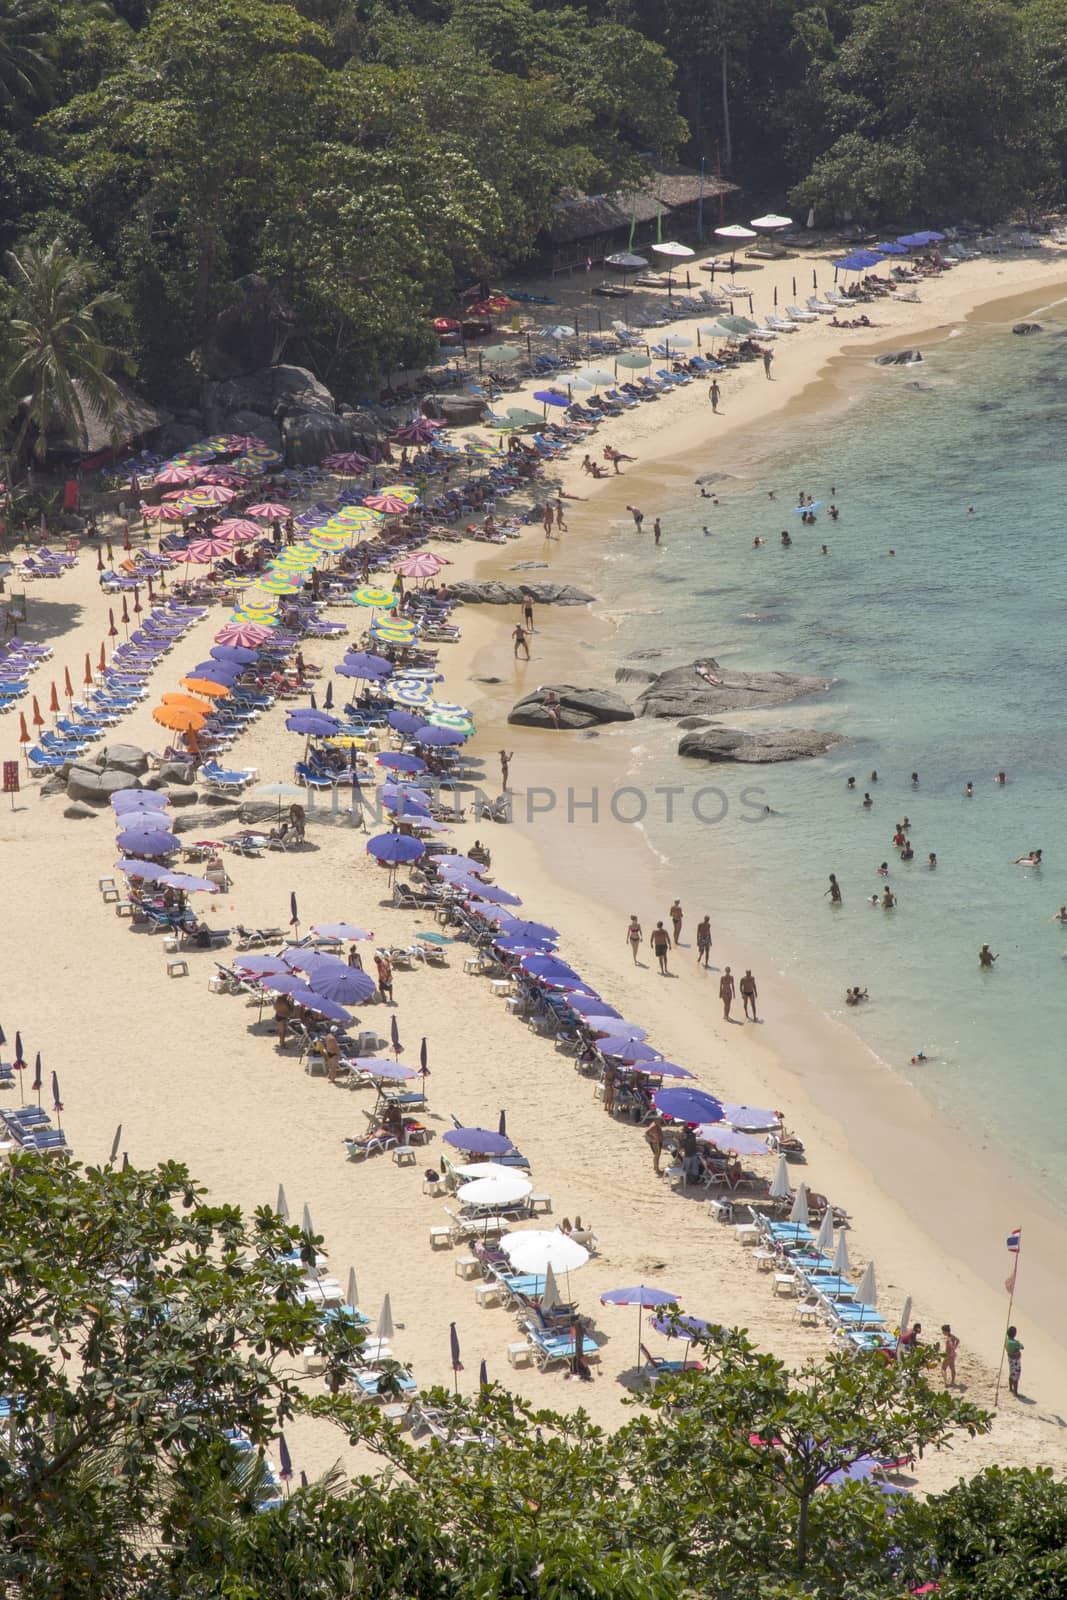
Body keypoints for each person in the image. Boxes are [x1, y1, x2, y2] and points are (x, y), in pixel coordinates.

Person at [1005, 1325, 1024, 1396]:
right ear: (1015, 1334)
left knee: (1011, 1373)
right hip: (1015, 1362)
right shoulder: (1015, 1343)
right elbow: (1022, 1347)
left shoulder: (1007, 1340)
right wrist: (1019, 1344)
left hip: (1010, 1360)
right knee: (1016, 1377)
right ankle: (1015, 1392)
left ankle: (1010, 1388)